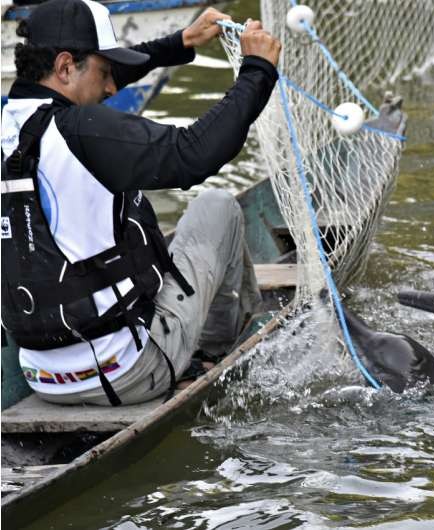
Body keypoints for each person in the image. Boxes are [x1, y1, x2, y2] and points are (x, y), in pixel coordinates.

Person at [1, 0, 281, 406]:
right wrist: (257, 72)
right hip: (130, 373)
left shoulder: (15, 125)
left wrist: (181, 42)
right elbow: (193, 156)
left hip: (42, 377)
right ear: (64, 67)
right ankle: (216, 349)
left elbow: (88, 77)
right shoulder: (83, 131)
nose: (113, 88)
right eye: (106, 73)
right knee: (218, 205)